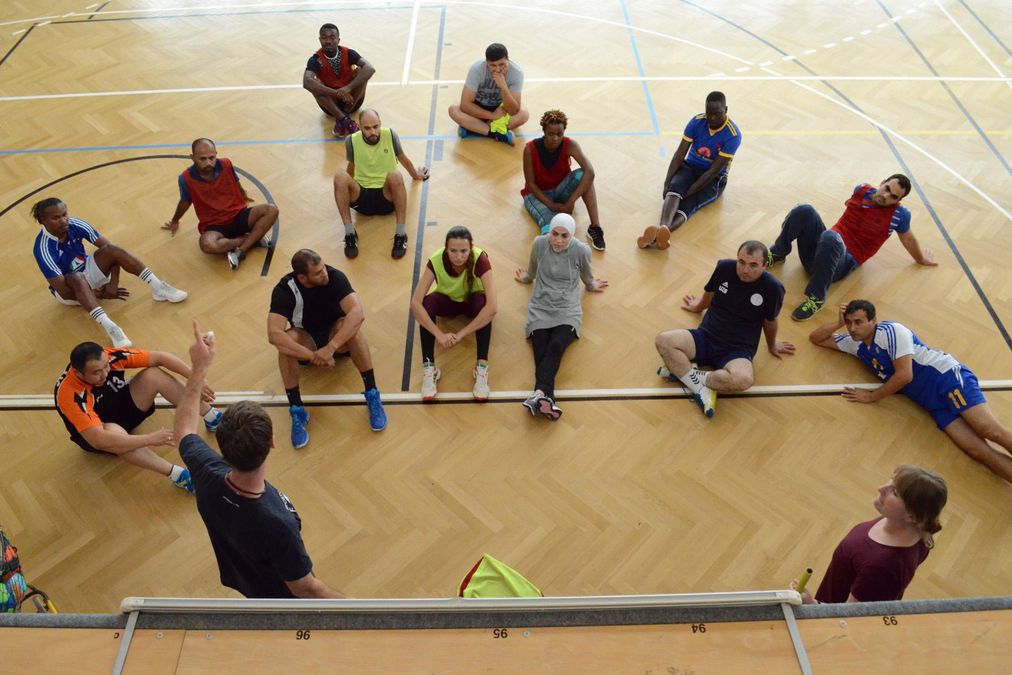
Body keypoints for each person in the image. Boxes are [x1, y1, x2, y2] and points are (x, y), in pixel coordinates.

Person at [176, 321, 346, 599]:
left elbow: (183, 429)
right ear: (272, 444)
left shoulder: (206, 472)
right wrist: (360, 609)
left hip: (246, 580)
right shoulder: (277, 524)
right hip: (281, 600)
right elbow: (306, 588)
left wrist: (199, 369)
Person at [810, 300, 1012, 483]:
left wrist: (871, 396)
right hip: (931, 403)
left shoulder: (892, 331)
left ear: (873, 321)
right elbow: (816, 338)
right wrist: (837, 323)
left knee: (989, 429)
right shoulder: (855, 344)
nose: (852, 328)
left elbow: (905, 376)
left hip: (946, 378)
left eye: (858, 322)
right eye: (849, 322)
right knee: (977, 451)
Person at [54, 341, 223, 493]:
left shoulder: (108, 357)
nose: (105, 374)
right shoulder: (70, 395)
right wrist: (149, 439)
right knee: (112, 431)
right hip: (99, 432)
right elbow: (99, 440)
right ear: (78, 373)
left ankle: (211, 417)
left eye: (106, 367)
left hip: (119, 408)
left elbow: (161, 357)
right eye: (97, 372)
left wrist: (196, 378)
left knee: (153, 374)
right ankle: (180, 476)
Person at [767, 174, 936, 321]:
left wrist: (920, 258)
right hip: (823, 248)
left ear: (898, 201)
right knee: (805, 210)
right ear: (882, 182)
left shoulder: (900, 215)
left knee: (830, 237)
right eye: (886, 188)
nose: (886, 196)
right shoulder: (861, 190)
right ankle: (778, 253)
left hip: (841, 263)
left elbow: (908, 239)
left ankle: (816, 298)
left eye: (893, 196)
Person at [655, 241, 794, 418]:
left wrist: (772, 345)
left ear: (765, 266)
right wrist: (698, 307)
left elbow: (770, 321)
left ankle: (685, 373)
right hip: (705, 337)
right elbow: (710, 292)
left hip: (738, 351)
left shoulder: (773, 288)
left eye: (753, 265)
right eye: (741, 262)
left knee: (744, 380)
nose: (745, 270)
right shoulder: (724, 268)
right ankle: (700, 388)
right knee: (663, 340)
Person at [268, 249, 388, 447]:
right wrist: (313, 355)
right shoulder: (285, 289)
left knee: (353, 329)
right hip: (307, 339)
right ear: (302, 278)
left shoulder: (335, 277)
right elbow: (274, 334)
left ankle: (372, 393)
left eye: (323, 267)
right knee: (286, 344)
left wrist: (331, 347)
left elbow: (357, 313)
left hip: (336, 336)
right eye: (317, 273)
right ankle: (297, 410)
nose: (324, 273)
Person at [32, 198, 188, 348]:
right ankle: (112, 328)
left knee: (111, 249)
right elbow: (64, 292)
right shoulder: (43, 249)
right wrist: (98, 294)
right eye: (56, 218)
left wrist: (113, 284)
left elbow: (113, 252)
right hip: (70, 290)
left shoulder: (76, 225)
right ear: (43, 221)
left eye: (65, 214)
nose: (63, 220)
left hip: (88, 271)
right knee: (77, 277)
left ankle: (158, 288)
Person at [793, 465, 947, 604]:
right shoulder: (913, 529)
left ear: (912, 517)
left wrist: (810, 604)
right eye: (892, 480)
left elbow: (849, 618)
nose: (881, 488)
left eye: (894, 492)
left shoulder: (883, 567)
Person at [514, 214, 607, 420]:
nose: (558, 240)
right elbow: (532, 267)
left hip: (568, 309)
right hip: (540, 305)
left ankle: (539, 393)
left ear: (571, 235)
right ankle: (547, 399)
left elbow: (586, 274)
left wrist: (591, 285)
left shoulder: (581, 250)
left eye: (564, 236)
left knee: (555, 346)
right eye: (554, 234)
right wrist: (527, 278)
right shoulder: (539, 244)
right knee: (540, 349)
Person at [638, 92, 742, 250]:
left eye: (717, 113)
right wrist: (667, 183)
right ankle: (663, 230)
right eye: (709, 114)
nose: (712, 118)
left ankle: (659, 232)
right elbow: (680, 154)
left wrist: (690, 190)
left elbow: (713, 171)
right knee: (675, 189)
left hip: (715, 179)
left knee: (689, 203)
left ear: (726, 110)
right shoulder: (696, 122)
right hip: (690, 166)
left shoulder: (733, 135)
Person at [409, 226, 498, 401]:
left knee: (484, 305)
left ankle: (481, 367)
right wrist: (440, 335)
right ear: (446, 249)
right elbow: (415, 303)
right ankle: (430, 369)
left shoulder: (481, 259)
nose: (459, 256)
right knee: (427, 304)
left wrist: (461, 334)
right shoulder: (435, 260)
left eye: (464, 251)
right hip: (448, 303)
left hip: (473, 303)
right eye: (453, 251)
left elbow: (493, 307)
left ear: (471, 248)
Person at [163, 138, 279, 270]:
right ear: (192, 157)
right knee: (206, 244)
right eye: (203, 159)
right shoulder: (185, 178)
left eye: (212, 157)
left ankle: (241, 250)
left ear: (216, 154)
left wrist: (243, 194)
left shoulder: (226, 164)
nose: (208, 162)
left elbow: (235, 182)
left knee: (271, 210)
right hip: (214, 226)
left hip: (238, 215)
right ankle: (253, 239)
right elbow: (184, 202)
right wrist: (175, 221)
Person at [332, 108, 429, 259]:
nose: (373, 132)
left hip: (387, 197)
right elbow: (351, 167)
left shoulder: (390, 135)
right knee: (339, 176)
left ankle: (401, 234)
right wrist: (344, 188)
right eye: (367, 128)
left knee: (395, 175)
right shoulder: (351, 141)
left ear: (380, 124)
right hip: (362, 197)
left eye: (376, 127)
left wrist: (416, 175)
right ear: (359, 126)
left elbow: (402, 157)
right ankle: (350, 233)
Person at [521, 110, 606, 251]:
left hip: (560, 189)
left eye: (559, 134)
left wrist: (571, 202)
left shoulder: (570, 145)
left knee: (585, 176)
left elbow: (590, 172)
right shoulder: (530, 149)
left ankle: (595, 227)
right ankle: (550, 257)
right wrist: (552, 205)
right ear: (544, 132)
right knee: (551, 227)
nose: (555, 138)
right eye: (551, 134)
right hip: (537, 194)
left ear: (564, 132)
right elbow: (530, 184)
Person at [303, 23, 375, 137]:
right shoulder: (315, 60)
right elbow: (306, 82)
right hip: (331, 106)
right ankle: (344, 119)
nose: (328, 41)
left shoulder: (349, 53)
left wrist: (347, 88)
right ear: (319, 39)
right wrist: (337, 93)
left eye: (332, 37)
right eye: (324, 37)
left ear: (338, 39)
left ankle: (342, 118)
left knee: (362, 71)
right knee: (314, 84)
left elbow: (370, 68)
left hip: (353, 101)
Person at [448, 42, 529, 145]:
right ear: (487, 63)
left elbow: (513, 110)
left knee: (524, 114)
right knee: (453, 109)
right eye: (493, 65)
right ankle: (496, 132)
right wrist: (491, 116)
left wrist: (503, 87)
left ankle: (472, 127)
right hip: (478, 108)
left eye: (501, 64)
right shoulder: (477, 69)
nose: (498, 69)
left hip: (500, 109)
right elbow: (465, 104)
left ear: (508, 59)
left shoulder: (516, 73)